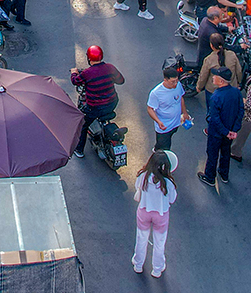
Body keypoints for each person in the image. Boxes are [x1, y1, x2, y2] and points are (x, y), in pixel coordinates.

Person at [71, 45, 125, 159]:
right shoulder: (110, 68)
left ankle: (79, 150)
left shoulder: (87, 73)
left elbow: (75, 81)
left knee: (83, 125)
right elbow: (121, 81)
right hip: (112, 103)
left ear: (89, 58)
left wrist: (74, 72)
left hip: (95, 107)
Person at [131, 150, 178, 278]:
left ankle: (138, 264)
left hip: (144, 211)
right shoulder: (168, 183)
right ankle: (157, 269)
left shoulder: (143, 176)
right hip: (161, 215)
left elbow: (137, 187)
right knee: (159, 242)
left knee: (141, 238)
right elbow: (172, 199)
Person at [200, 67, 243, 187]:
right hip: (230, 131)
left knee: (212, 154)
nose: (213, 77)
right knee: (225, 152)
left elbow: (215, 118)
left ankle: (210, 177)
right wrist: (233, 130)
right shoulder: (236, 92)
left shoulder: (216, 97)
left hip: (217, 133)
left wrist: (225, 131)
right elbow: (240, 111)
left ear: (221, 81)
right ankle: (224, 174)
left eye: (215, 76)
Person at [146, 65, 190, 151]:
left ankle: (157, 148)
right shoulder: (156, 93)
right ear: (165, 80)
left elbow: (181, 98)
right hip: (164, 127)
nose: (175, 84)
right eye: (172, 82)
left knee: (163, 143)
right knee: (165, 149)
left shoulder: (178, 85)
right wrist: (158, 121)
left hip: (176, 123)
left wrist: (185, 113)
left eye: (177, 81)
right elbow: (150, 109)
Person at [198, 32, 242, 105]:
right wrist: (238, 83)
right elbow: (239, 71)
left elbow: (203, 76)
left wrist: (199, 87)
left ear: (211, 45)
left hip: (213, 90)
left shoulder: (209, 59)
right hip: (231, 87)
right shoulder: (232, 55)